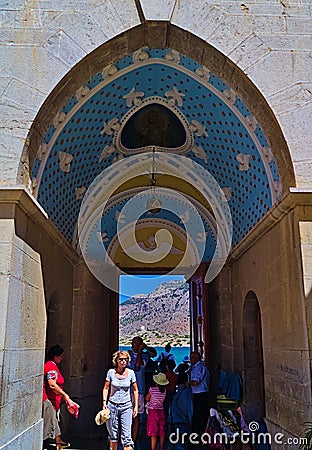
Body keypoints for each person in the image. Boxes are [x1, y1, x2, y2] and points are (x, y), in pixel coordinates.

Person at [102, 350, 138, 450]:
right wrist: (104, 402)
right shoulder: (111, 373)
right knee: (113, 434)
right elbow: (106, 388)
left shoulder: (131, 373)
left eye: (125, 359)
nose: (123, 361)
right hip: (112, 405)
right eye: (121, 359)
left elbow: (135, 390)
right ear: (116, 360)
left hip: (126, 406)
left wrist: (135, 406)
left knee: (126, 436)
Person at [43, 344, 74, 449]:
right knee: (49, 421)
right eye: (61, 356)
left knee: (54, 420)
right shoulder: (50, 366)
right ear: (55, 356)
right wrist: (65, 396)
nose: (62, 358)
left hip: (54, 400)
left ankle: (58, 440)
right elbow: (52, 384)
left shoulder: (52, 366)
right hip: (49, 399)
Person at [127, 336, 157, 442]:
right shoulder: (128, 355)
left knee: (136, 416)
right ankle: (126, 437)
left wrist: (144, 349)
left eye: (138, 343)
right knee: (126, 415)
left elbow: (139, 365)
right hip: (128, 389)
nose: (135, 345)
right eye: (134, 343)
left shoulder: (144, 356)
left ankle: (133, 440)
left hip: (139, 389)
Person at [145, 372, 169, 450]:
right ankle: (161, 447)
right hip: (161, 411)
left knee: (153, 432)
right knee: (161, 431)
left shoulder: (152, 389)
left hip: (153, 412)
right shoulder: (164, 391)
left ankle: (153, 448)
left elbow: (147, 398)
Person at [189, 351, 210, 437]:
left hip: (201, 394)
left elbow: (195, 382)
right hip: (198, 394)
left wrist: (188, 383)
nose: (190, 360)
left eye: (191, 358)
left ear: (196, 358)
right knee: (199, 414)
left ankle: (197, 434)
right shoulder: (196, 367)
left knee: (199, 415)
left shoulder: (199, 368)